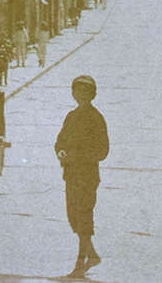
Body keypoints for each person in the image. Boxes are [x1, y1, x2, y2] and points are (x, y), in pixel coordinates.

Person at [56, 75, 109, 277]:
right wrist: (60, 151)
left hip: (87, 176)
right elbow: (59, 141)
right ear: (73, 94)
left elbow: (103, 150)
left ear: (92, 95)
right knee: (73, 217)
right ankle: (92, 255)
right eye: (77, 91)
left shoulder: (96, 118)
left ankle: (80, 265)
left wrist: (79, 156)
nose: (81, 95)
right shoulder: (71, 116)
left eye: (85, 92)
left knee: (84, 217)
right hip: (70, 175)